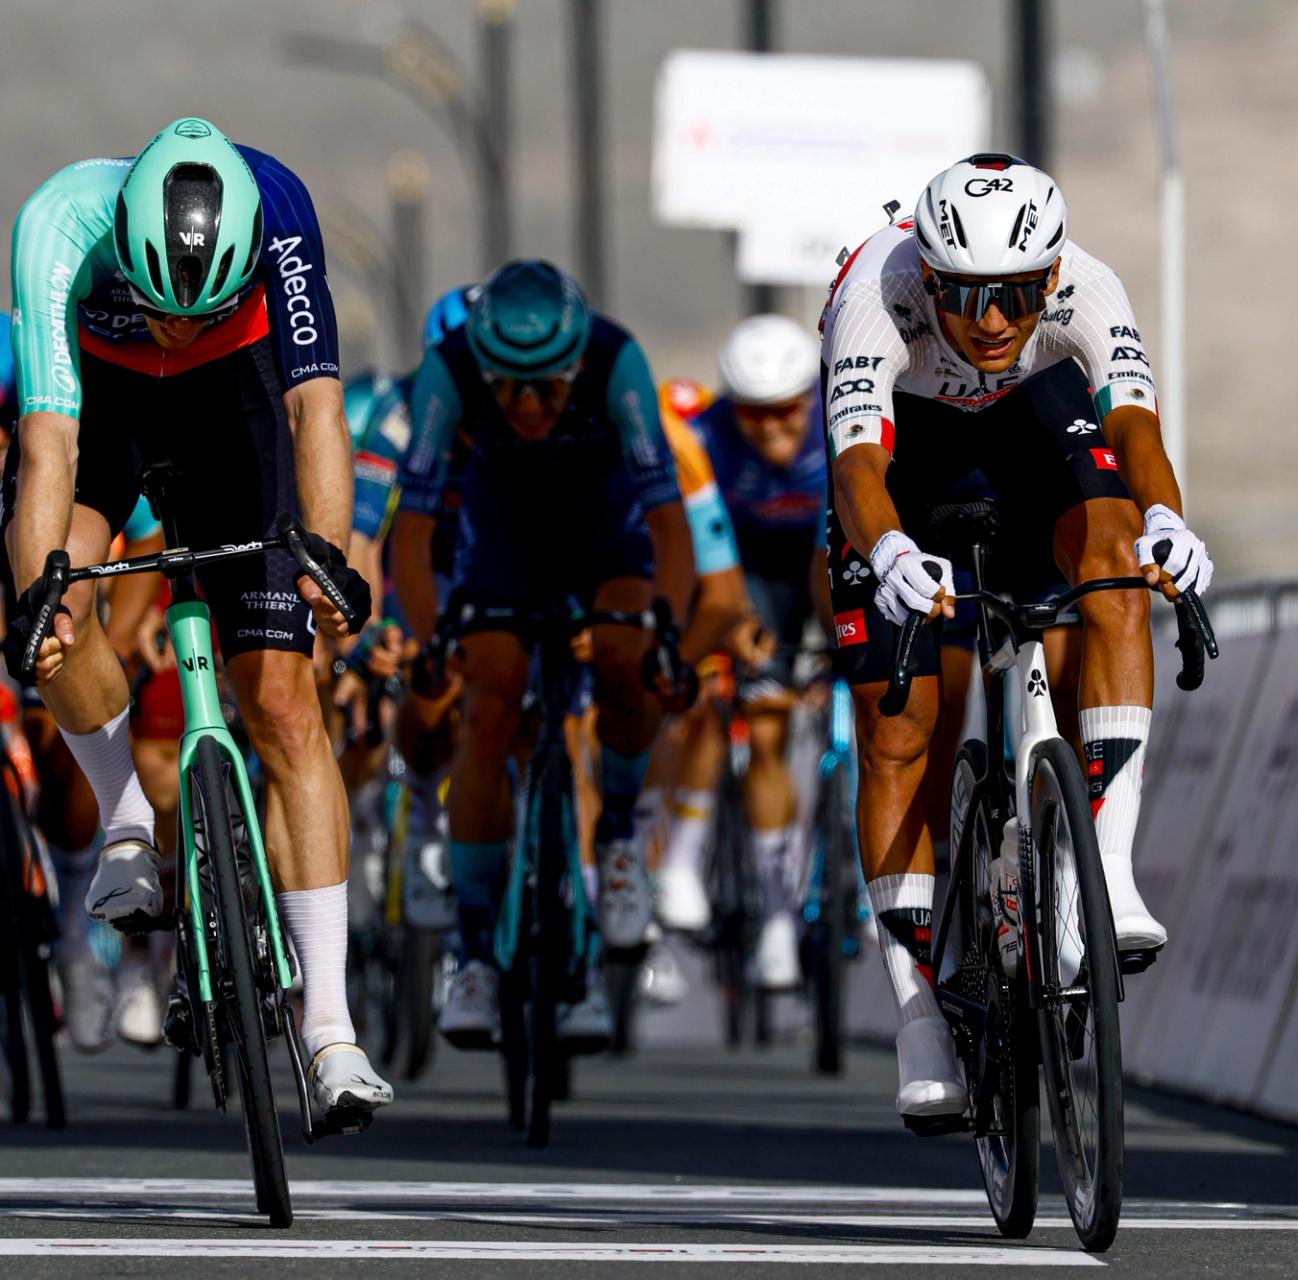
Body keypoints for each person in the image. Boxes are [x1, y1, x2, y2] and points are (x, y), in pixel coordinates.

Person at [3, 117, 392, 1122]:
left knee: (286, 705)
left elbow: (314, 411)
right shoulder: (56, 222)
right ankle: (129, 818)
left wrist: (329, 557)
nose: (178, 325)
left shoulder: (283, 209)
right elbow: (47, 442)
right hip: (107, 407)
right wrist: (44, 586)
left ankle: (332, 1031)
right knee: (52, 609)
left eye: (199, 310)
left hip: (240, 409)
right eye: (160, 309)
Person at [821, 153, 1213, 1118]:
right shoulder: (878, 290)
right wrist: (892, 555)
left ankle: (1108, 878)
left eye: (1015, 297)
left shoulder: (1091, 284)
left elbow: (1137, 430)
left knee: (1118, 556)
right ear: (929, 272)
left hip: (1034, 435)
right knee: (901, 734)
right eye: (965, 296)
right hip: (907, 461)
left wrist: (1168, 520)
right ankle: (919, 1014)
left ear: (1049, 277)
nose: (992, 322)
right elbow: (860, 468)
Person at [391, 259, 694, 1049]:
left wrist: (667, 627)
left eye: (548, 388)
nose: (527, 405)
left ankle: (620, 834)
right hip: (505, 539)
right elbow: (415, 534)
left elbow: (666, 520)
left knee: (630, 659)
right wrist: (430, 644)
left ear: (576, 363)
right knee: (489, 706)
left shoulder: (615, 356)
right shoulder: (448, 367)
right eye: (509, 388)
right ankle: (474, 952)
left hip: (604, 532)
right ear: (480, 364)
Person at [653, 315, 830, 988]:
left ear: (809, 399)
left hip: (817, 559)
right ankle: (759, 909)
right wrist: (734, 626)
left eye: (786, 410)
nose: (771, 428)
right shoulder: (706, 438)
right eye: (753, 414)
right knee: (761, 725)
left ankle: (801, 909)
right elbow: (703, 548)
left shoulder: (838, 423)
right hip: (741, 567)